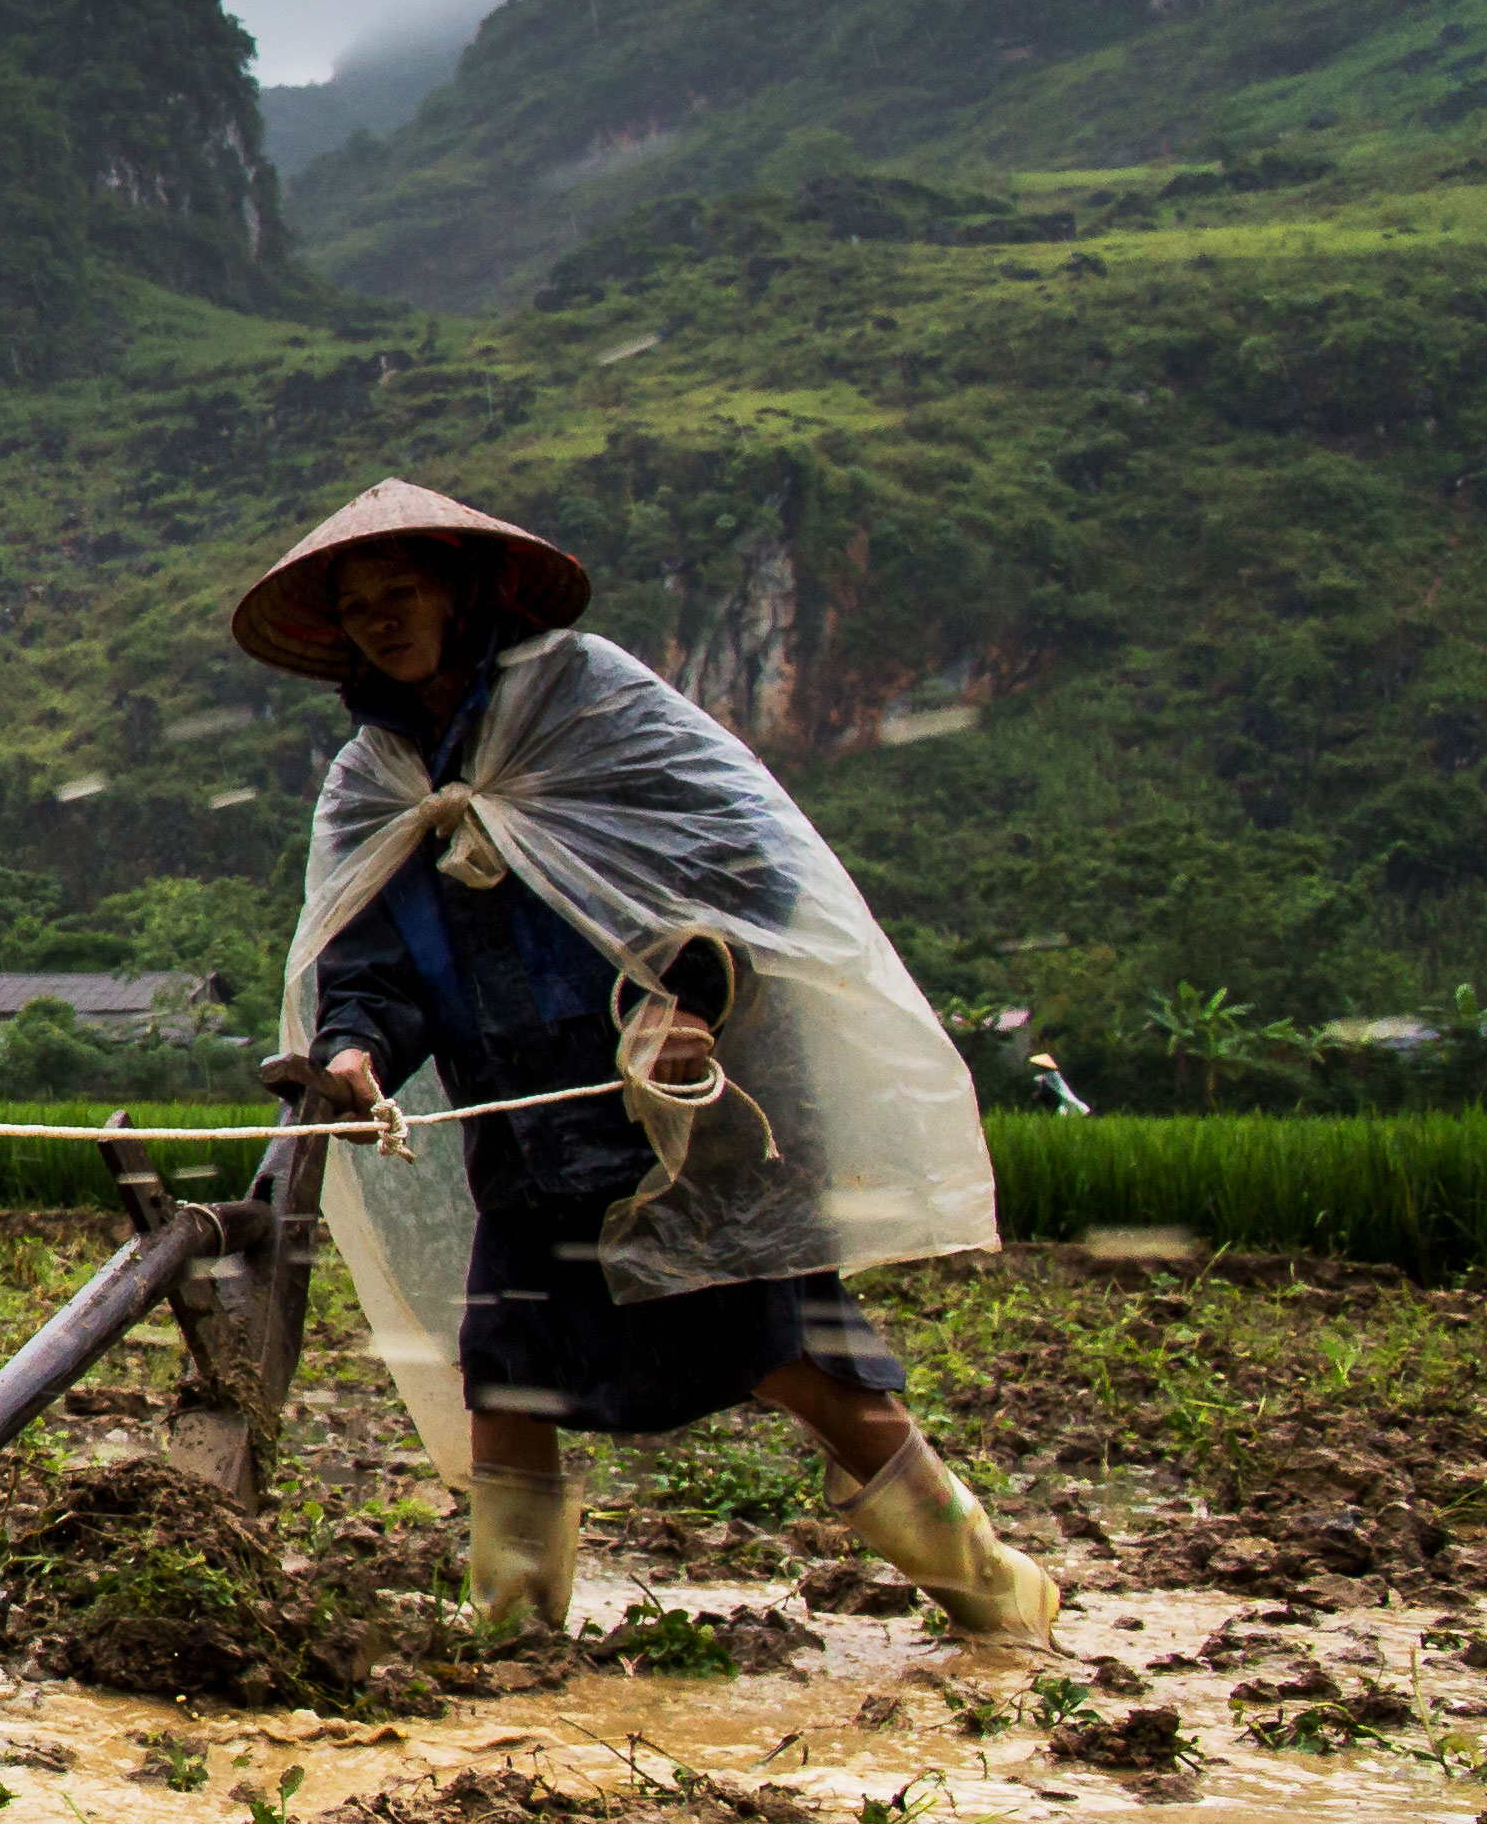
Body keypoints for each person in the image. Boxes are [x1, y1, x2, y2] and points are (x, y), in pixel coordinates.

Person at [233, 479, 1053, 1643]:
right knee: (507, 1374)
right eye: (356, 605)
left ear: (463, 591)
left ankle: (997, 1602)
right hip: (522, 1130)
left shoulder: (591, 701)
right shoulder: (374, 779)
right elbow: (365, 964)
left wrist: (688, 996)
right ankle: (513, 1636)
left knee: (793, 1363)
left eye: (399, 591)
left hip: (680, 1119)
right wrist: (355, 1050)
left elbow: (743, 867)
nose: (378, 619)